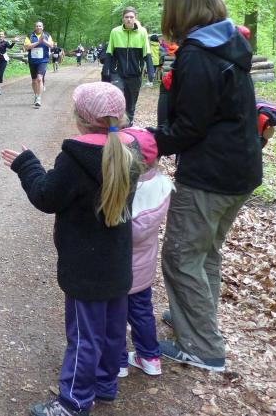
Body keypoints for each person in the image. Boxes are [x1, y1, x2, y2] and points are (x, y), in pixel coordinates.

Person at [2, 82, 138, 416]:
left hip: (84, 268)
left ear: (81, 118)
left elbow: (46, 196)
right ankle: (105, 385)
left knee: (84, 337)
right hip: (118, 263)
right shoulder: (129, 150)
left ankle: (73, 402)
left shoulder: (76, 158)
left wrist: (27, 165)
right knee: (112, 330)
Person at [152, 0, 262, 372]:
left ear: (179, 6)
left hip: (210, 174)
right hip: (240, 168)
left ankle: (202, 347)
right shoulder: (228, 41)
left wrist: (147, 141)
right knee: (204, 252)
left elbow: (189, 127)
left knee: (181, 255)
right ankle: (195, 318)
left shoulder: (198, 53)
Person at [116, 128, 174, 378]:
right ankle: (150, 357)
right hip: (144, 268)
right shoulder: (163, 185)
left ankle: (117, 362)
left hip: (118, 270)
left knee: (114, 316)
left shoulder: (125, 191)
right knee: (142, 312)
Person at [102, 7, 153, 124]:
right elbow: (109, 52)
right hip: (117, 73)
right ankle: (114, 127)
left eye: (131, 17)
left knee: (130, 105)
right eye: (126, 17)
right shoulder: (115, 32)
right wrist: (106, 72)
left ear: (135, 18)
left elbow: (147, 52)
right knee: (116, 100)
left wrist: (151, 70)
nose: (129, 19)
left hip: (135, 74)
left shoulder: (142, 32)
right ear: (123, 19)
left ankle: (128, 126)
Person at [23, 21, 54, 107]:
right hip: (32, 60)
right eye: (37, 26)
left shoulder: (47, 35)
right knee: (34, 80)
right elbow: (27, 47)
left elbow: (51, 46)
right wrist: (38, 42)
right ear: (35, 27)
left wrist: (43, 41)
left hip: (43, 60)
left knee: (39, 78)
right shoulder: (30, 35)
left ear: (42, 27)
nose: (38, 27)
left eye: (40, 26)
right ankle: (36, 95)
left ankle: (39, 99)